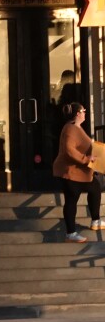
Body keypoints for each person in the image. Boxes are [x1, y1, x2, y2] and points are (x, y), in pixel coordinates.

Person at [52, 102, 100, 241]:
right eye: (83, 111)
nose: (85, 113)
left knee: (95, 188)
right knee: (72, 199)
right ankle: (71, 233)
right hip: (70, 172)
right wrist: (86, 159)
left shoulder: (76, 127)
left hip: (79, 172)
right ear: (77, 113)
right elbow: (69, 150)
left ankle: (95, 221)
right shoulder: (70, 128)